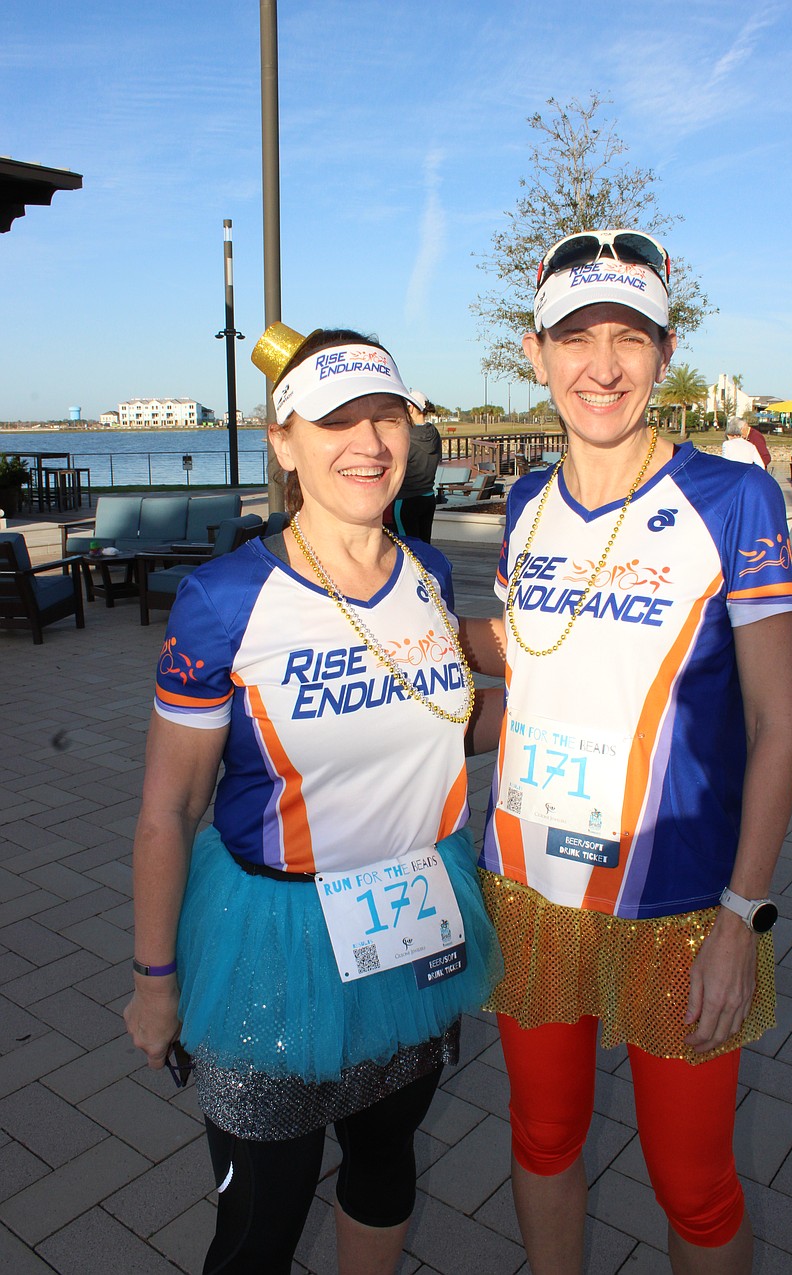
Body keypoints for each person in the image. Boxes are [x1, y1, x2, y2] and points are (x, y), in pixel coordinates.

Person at [123, 322, 502, 1274]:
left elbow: (443, 724)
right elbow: (168, 809)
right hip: (274, 945)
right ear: (284, 441)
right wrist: (152, 977)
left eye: (387, 416)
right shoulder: (223, 599)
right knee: (260, 1222)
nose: (369, 442)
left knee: (385, 1161)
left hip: (414, 921)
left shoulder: (427, 573)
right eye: (337, 420)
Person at [459, 230, 792, 1274]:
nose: (599, 366)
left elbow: (779, 723)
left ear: (663, 351)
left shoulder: (733, 499)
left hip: (681, 906)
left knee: (694, 1188)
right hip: (529, 887)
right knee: (542, 1139)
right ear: (534, 353)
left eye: (628, 337)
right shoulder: (524, 507)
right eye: (574, 338)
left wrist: (743, 919)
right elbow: (531, 664)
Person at [389, 389, 442, 542]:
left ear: (410, 407)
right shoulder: (434, 433)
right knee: (425, 546)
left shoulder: (405, 435)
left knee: (407, 548)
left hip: (406, 499)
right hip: (428, 498)